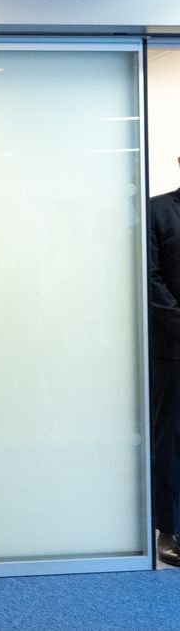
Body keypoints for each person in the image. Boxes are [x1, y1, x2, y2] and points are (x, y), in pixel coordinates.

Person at [148, 169, 180, 568]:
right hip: (173, 349)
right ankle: (168, 530)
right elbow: (151, 279)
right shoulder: (157, 211)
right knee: (170, 441)